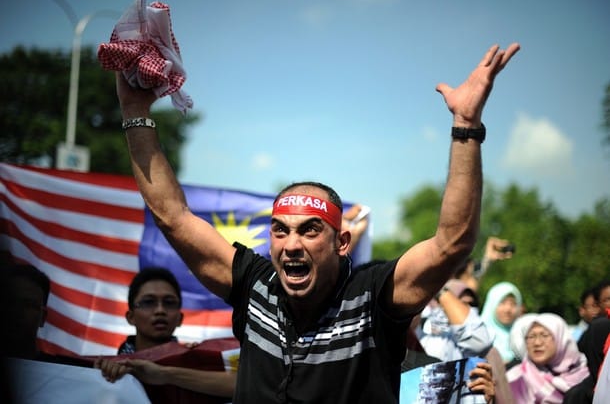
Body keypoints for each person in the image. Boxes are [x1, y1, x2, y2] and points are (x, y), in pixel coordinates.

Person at [114, 42, 520, 402]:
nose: (292, 244)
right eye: (281, 229)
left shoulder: (372, 297)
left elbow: (452, 244)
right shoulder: (253, 286)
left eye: (310, 230)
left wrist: (466, 127)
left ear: (342, 242)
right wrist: (134, 110)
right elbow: (173, 216)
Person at [94, 267, 237, 401]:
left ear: (180, 319)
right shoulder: (105, 370)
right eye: (148, 302)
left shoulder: (196, 363)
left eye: (169, 303)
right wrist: (101, 377)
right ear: (131, 317)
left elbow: (247, 386)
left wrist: (168, 372)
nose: (160, 310)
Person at [506, 313, 589, 403]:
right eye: (531, 337)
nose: (537, 343)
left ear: (561, 339)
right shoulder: (515, 379)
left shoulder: (585, 375)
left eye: (544, 335)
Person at [417, 279, 493, 362]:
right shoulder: (424, 328)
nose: (468, 309)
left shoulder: (480, 334)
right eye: (461, 304)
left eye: (472, 304)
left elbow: (479, 342)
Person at [481, 281, 524, 366]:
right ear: (491, 304)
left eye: (513, 304)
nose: (508, 309)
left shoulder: (522, 336)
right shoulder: (479, 335)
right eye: (502, 303)